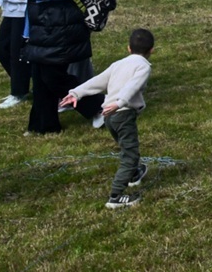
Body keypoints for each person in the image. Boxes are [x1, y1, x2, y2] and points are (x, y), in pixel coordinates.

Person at [12, 0, 97, 135]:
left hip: (59, 29)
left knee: (53, 77)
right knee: (41, 79)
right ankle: (44, 126)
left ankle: (99, 108)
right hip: (45, 27)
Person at [61, 28, 155, 210]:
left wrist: (76, 93)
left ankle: (134, 174)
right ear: (151, 50)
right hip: (122, 114)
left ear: (128, 48)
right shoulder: (143, 66)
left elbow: (98, 81)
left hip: (109, 116)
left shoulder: (118, 64)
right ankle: (115, 196)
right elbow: (133, 86)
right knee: (130, 154)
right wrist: (120, 103)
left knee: (126, 146)